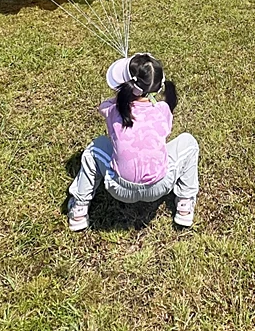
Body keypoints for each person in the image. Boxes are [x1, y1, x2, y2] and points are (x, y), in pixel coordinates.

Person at [67, 53, 199, 230]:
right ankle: (184, 205)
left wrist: (121, 96)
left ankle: (79, 210)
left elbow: (103, 107)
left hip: (119, 188)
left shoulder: (114, 110)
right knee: (188, 143)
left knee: (94, 149)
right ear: (159, 87)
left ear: (127, 84)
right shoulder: (163, 110)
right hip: (159, 186)